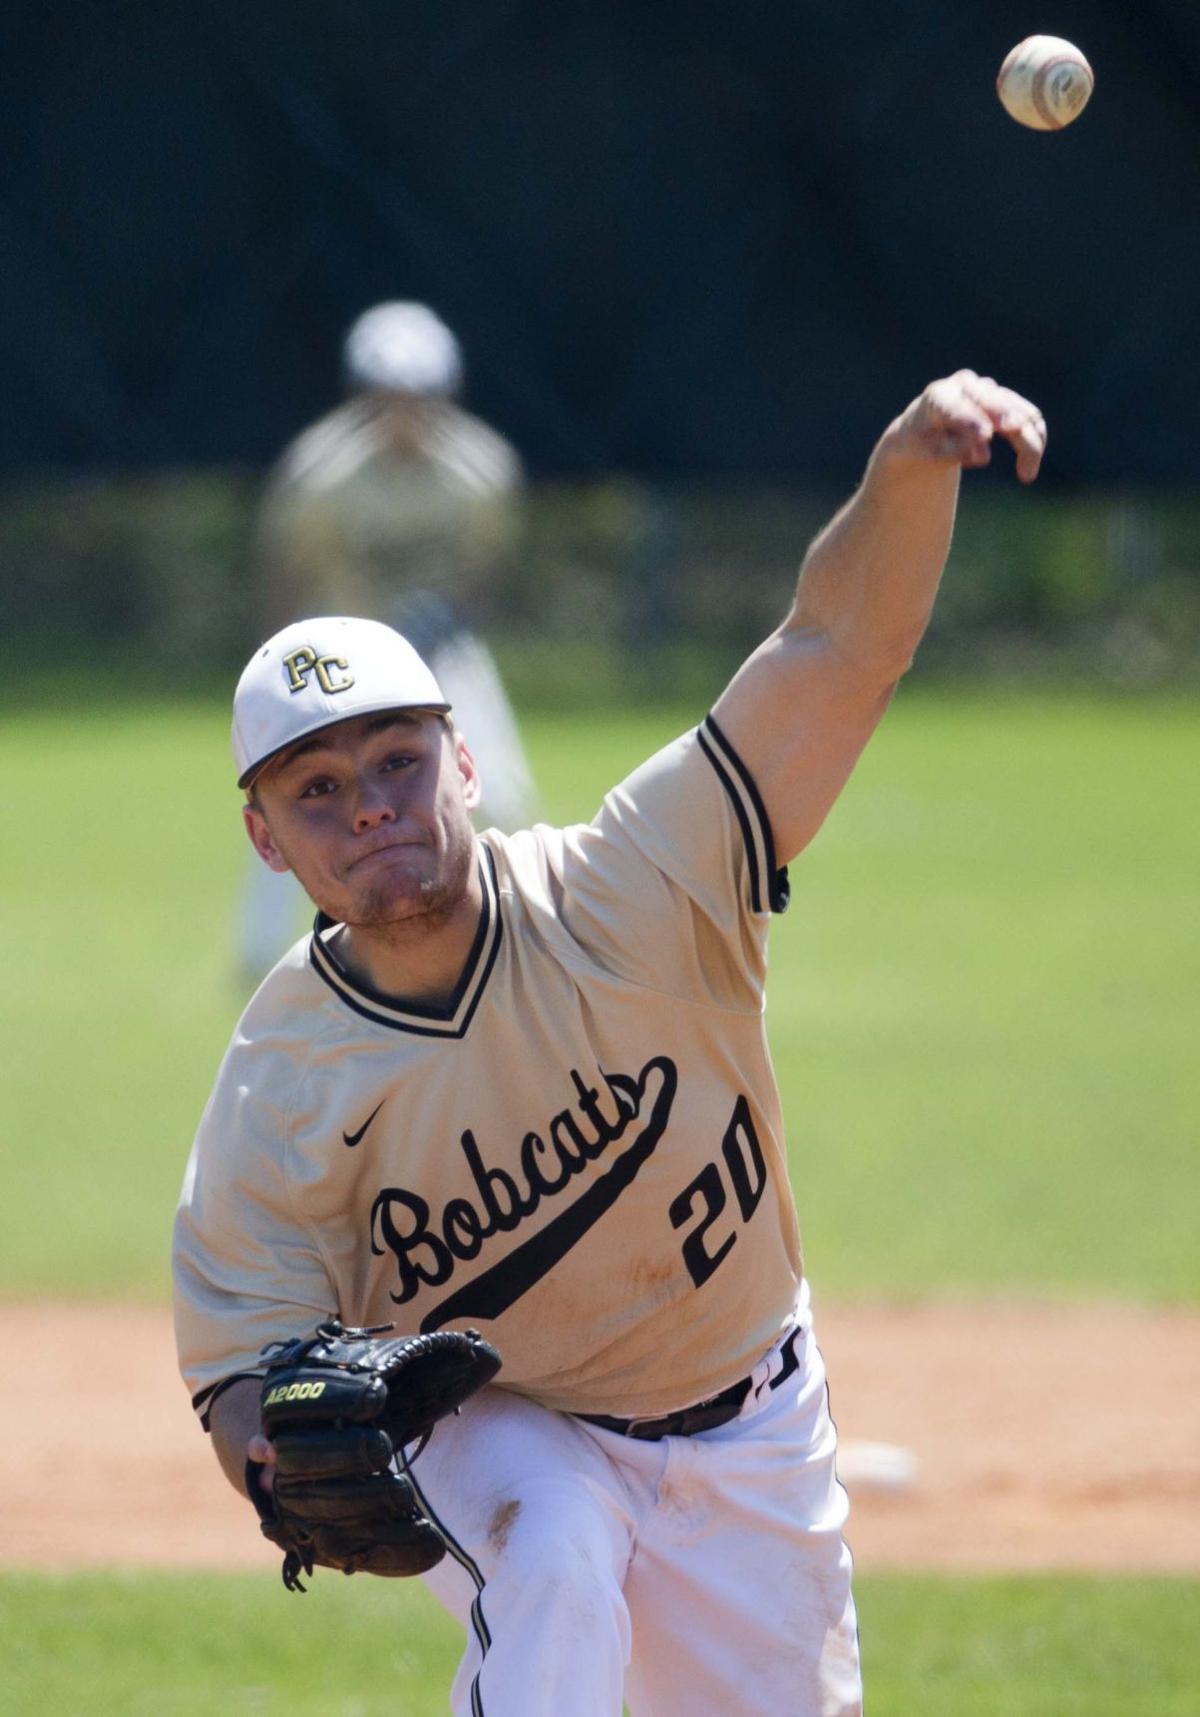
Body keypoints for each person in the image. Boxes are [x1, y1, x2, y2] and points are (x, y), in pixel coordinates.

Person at [174, 371, 1045, 1717]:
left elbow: (832, 652)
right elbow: (240, 1363)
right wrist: (278, 1459)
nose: (371, 810)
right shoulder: (281, 1079)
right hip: (503, 1427)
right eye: (319, 790)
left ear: (465, 762)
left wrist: (909, 468)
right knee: (558, 1541)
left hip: (751, 1424)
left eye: (397, 761)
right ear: (266, 837)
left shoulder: (634, 887)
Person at [238, 300, 537, 979]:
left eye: (419, 396)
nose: (405, 414)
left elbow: (484, 568)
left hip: (438, 650)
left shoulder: (480, 472)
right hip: (338, 660)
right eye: (389, 397)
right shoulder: (321, 477)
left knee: (501, 787)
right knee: (291, 793)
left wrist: (452, 616)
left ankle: (520, 928)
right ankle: (260, 958)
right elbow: (285, 569)